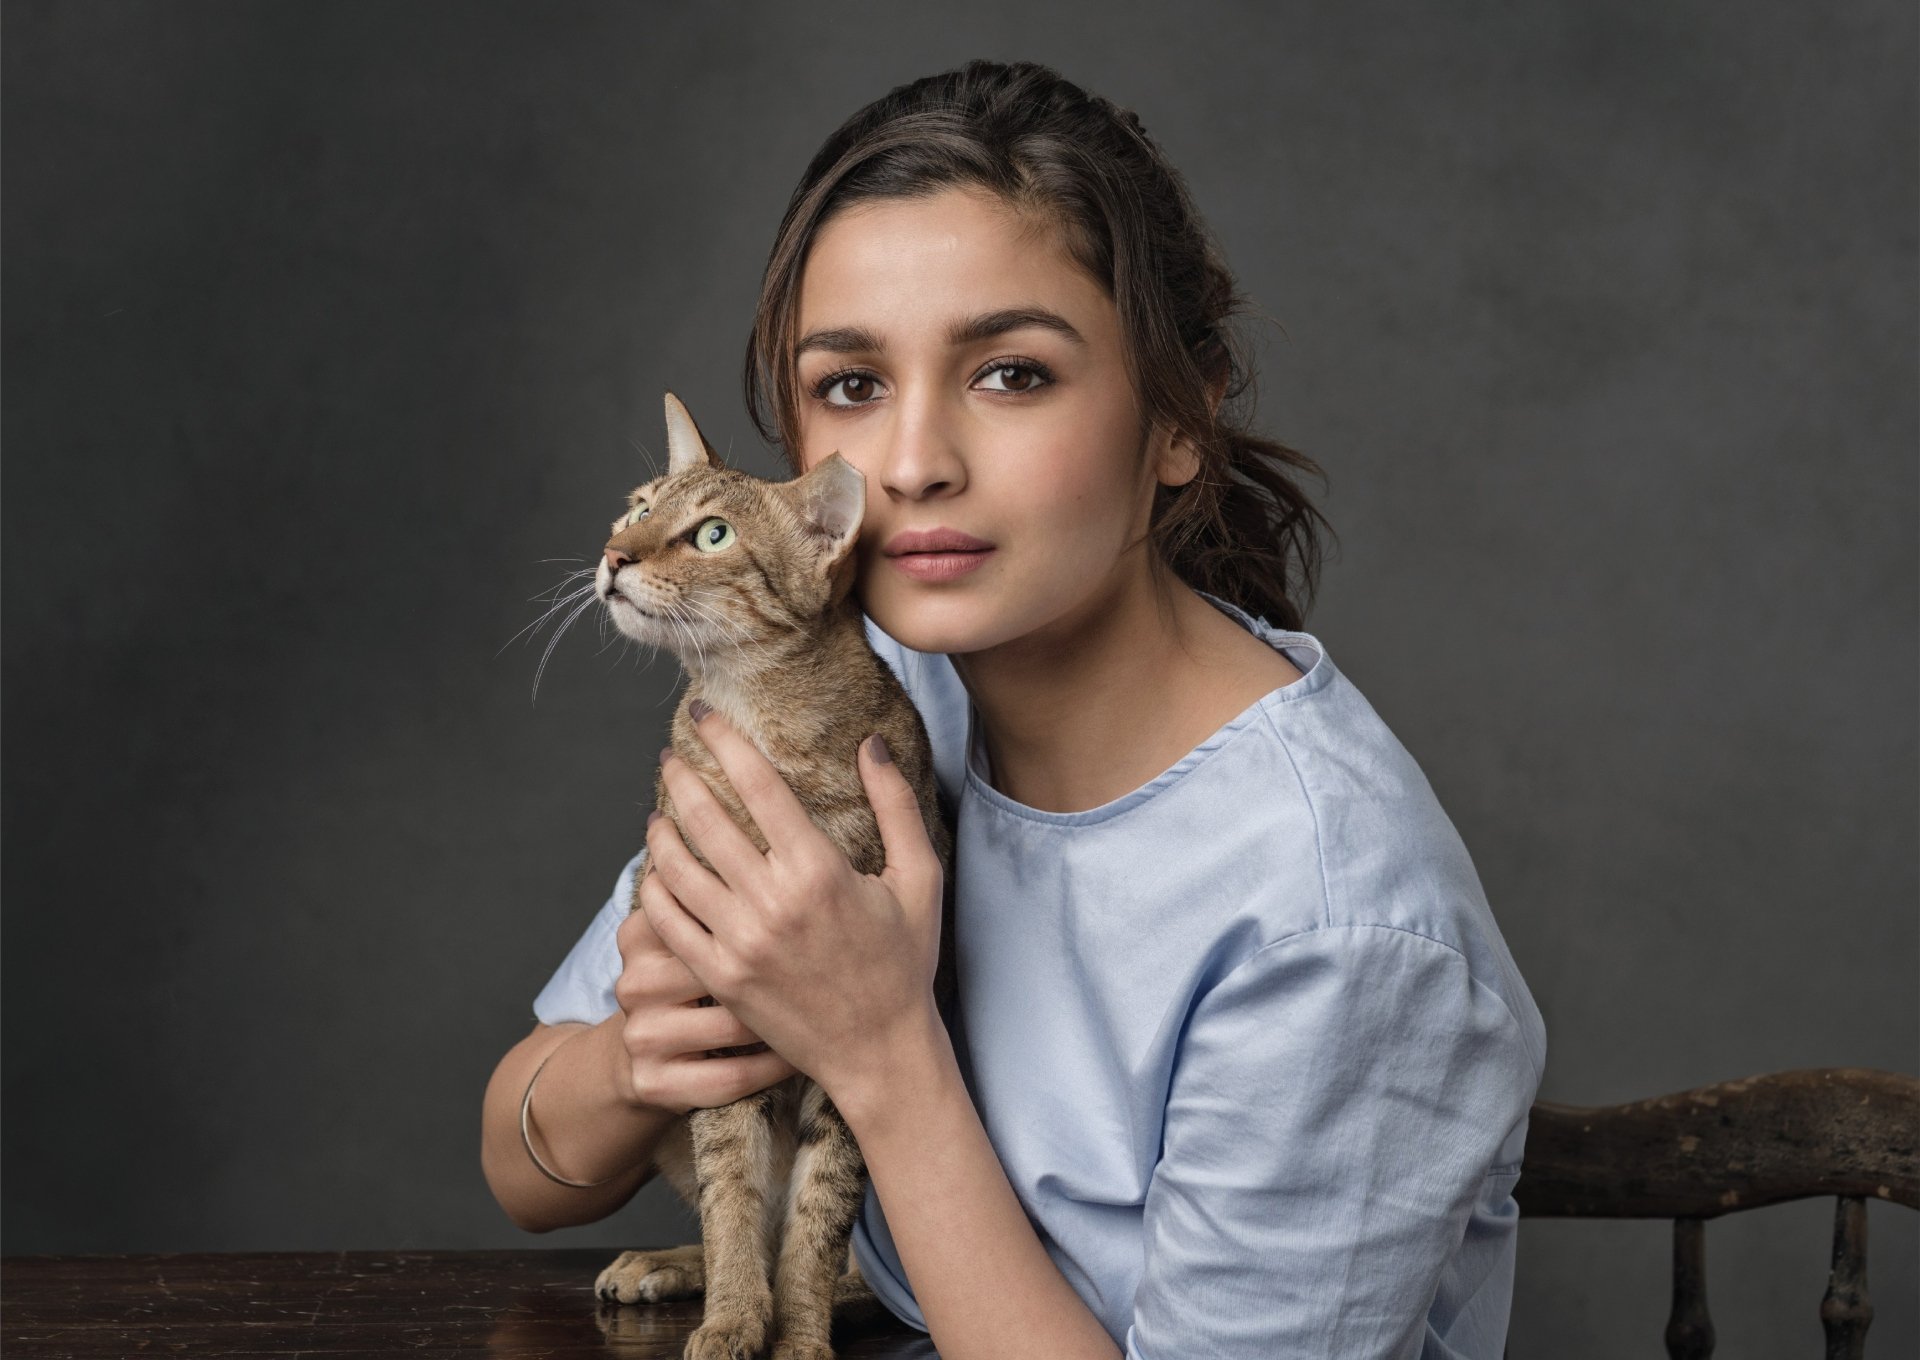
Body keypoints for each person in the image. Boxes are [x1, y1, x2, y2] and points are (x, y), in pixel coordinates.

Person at [480, 59, 1546, 1360]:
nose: (917, 463)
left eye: (1012, 374)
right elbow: (525, 1164)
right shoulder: (873, 691)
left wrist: (879, 1048)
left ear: (1178, 425)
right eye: (853, 387)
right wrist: (641, 1053)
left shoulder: (1334, 925)